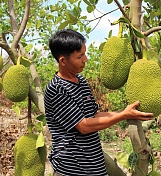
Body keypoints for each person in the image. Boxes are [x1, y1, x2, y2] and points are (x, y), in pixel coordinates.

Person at [44, 29, 154, 176]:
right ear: (63, 61)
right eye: (80, 56)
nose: (86, 59)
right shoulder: (56, 89)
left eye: (85, 54)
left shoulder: (81, 81)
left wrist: (125, 113)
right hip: (71, 168)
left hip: (93, 165)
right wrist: (122, 116)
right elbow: (83, 126)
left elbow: (93, 115)